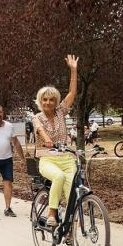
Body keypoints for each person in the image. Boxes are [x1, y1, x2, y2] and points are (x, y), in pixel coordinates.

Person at [32, 54, 79, 226]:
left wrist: (73, 70)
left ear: (56, 101)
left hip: (66, 158)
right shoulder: (37, 117)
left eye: (52, 99)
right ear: (40, 101)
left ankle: (71, 223)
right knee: (58, 177)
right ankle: (51, 213)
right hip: (47, 159)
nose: (48, 102)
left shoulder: (61, 112)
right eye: (45, 99)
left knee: (72, 188)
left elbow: (72, 92)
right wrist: (47, 140)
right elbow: (40, 130)